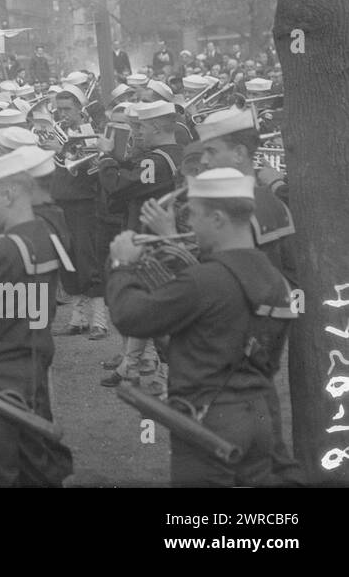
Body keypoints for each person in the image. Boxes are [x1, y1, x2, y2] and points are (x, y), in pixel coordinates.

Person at [107, 169, 297, 486]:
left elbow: (130, 317)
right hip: (260, 414)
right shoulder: (274, 277)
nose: (190, 225)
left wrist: (122, 266)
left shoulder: (205, 280)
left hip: (209, 419)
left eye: (194, 215)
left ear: (219, 219)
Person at [0, 147, 74, 487]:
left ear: (9, 194)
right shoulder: (42, 233)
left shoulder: (3, 249)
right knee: (35, 468)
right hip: (32, 364)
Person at [96, 100, 183, 388]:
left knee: (155, 310)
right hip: (148, 235)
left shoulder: (158, 159)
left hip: (151, 239)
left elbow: (119, 186)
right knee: (142, 304)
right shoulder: (166, 155)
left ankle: (167, 374)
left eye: (141, 126)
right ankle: (129, 365)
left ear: (157, 126)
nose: (137, 132)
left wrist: (106, 158)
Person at [46, 84, 109, 338]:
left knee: (87, 258)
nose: (62, 114)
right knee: (67, 258)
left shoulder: (90, 133)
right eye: (59, 109)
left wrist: (61, 151)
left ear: (80, 108)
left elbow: (92, 170)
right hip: (60, 202)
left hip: (84, 204)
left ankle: (99, 320)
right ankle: (78, 316)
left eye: (68, 109)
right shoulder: (55, 131)